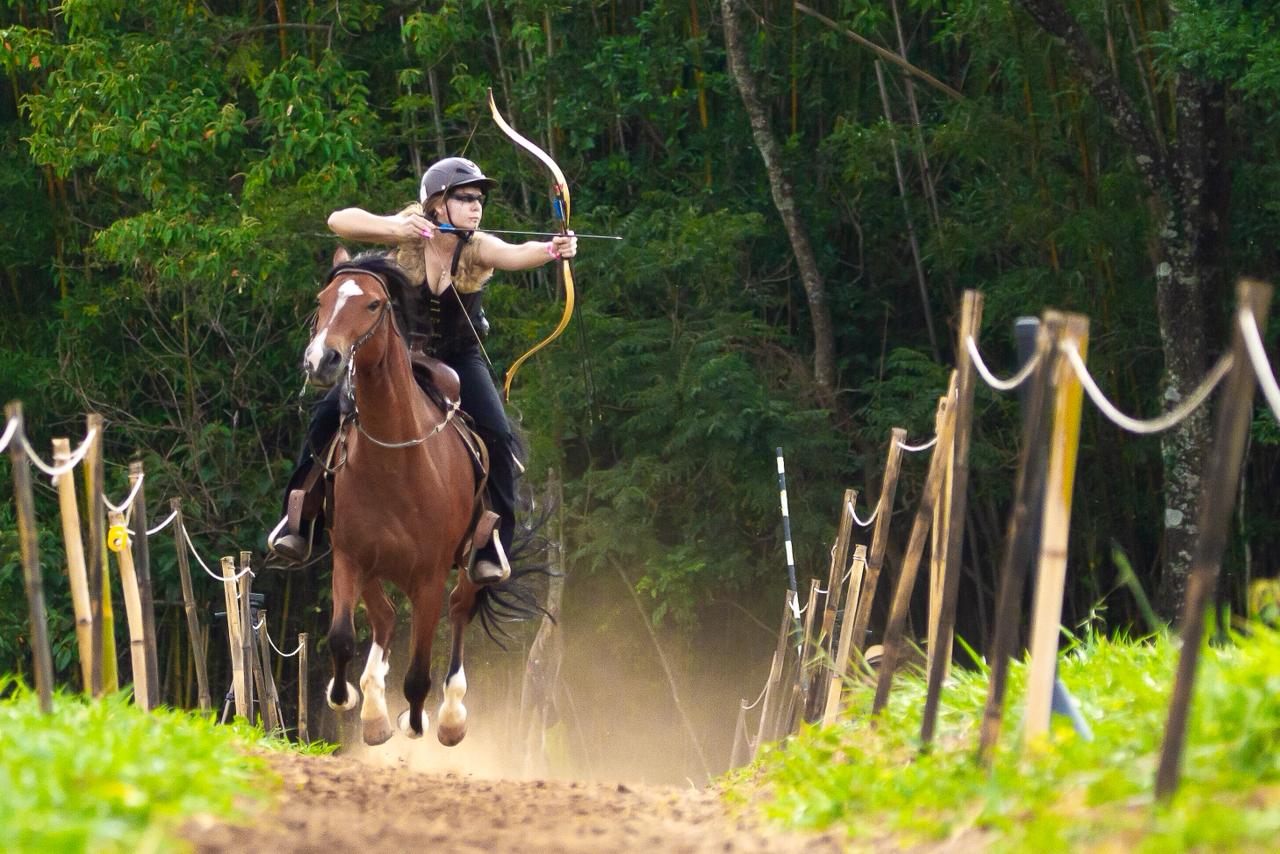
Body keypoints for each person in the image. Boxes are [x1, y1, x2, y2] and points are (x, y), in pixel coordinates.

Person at [269, 156, 577, 584]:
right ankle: (297, 520)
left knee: (498, 433)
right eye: (465, 198)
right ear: (436, 204)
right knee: (327, 413)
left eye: (478, 199)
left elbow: (512, 254)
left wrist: (550, 249)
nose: (476, 207)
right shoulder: (407, 231)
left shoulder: (476, 245)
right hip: (404, 356)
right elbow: (339, 220)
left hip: (460, 355)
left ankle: (493, 543)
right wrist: (397, 228)